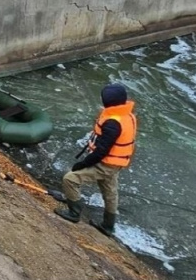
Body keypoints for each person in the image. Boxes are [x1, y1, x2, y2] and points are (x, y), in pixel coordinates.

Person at [54, 83, 137, 236]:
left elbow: (101, 151)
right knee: (110, 192)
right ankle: (108, 226)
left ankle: (74, 213)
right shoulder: (127, 115)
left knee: (70, 179)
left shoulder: (113, 123)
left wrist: (83, 163)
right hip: (116, 163)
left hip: (106, 163)